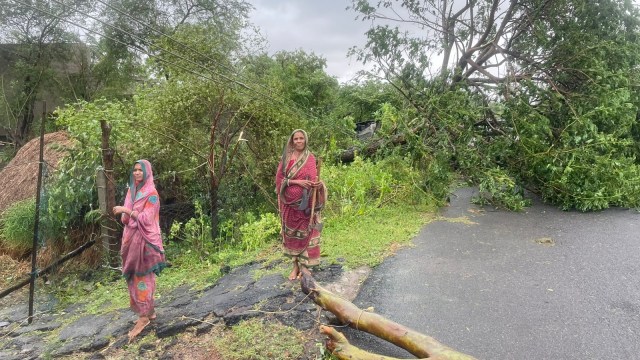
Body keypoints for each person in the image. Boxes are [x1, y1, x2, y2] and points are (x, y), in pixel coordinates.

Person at [113, 159, 166, 342]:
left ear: (147, 172)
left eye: (140, 170)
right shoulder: (132, 191)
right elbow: (124, 220)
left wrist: (126, 211)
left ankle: (143, 317)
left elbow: (147, 218)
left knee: (142, 276)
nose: (137, 173)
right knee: (134, 277)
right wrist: (126, 213)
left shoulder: (152, 194)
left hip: (144, 241)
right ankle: (149, 312)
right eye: (134, 170)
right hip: (130, 240)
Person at [275, 129, 326, 280]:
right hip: (289, 206)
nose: (298, 141)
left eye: (301, 138)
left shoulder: (310, 158)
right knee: (292, 236)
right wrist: (297, 182)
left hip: (307, 206)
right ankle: (295, 266)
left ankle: (305, 267)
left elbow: (315, 179)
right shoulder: (286, 158)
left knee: (308, 233)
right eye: (296, 139)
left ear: (305, 140)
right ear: (292, 141)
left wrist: (318, 186)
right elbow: (279, 181)